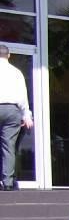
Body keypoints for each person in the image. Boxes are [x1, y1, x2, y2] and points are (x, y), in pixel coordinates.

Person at [0, 44, 33, 191]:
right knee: (8, 146)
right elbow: (22, 97)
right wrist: (27, 114)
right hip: (12, 111)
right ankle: (7, 182)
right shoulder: (17, 73)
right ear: (9, 55)